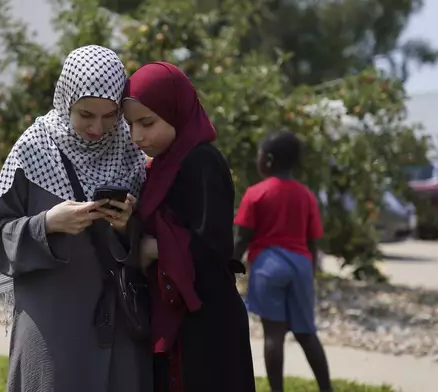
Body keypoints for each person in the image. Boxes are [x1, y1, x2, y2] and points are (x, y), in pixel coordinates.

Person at [0, 45, 150, 392]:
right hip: (51, 327)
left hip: (116, 324)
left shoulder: (131, 152)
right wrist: (46, 225)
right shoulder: (33, 149)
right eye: (86, 114)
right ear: (65, 101)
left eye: (110, 115)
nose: (97, 127)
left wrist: (126, 226)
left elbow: (146, 240)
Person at [123, 62, 256, 392]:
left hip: (207, 325)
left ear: (177, 111)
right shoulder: (158, 168)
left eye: (147, 122)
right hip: (173, 319)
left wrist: (154, 248)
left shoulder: (202, 162)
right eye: (131, 124)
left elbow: (213, 247)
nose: (137, 135)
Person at [232, 130, 332, 392]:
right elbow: (313, 241)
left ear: (268, 160)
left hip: (267, 265)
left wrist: (228, 265)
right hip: (300, 265)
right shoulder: (306, 195)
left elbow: (243, 238)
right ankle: (327, 389)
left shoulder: (256, 193)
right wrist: (309, 274)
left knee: (273, 335)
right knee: (306, 333)